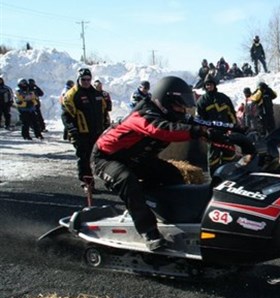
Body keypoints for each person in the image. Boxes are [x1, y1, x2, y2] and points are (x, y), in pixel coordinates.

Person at [92, 76, 214, 251]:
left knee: (172, 174)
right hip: (107, 158)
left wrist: (225, 131)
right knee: (127, 181)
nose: (183, 110)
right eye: (179, 105)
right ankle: (148, 232)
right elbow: (160, 130)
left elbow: (199, 123)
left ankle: (169, 216)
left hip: (137, 158)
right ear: (166, 101)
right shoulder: (142, 115)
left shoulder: (168, 113)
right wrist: (197, 132)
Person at [61, 68, 107, 188]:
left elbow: (104, 111)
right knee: (84, 158)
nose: (86, 82)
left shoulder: (96, 93)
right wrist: (73, 131)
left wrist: (107, 127)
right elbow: (66, 115)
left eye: (88, 79)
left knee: (103, 157)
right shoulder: (72, 94)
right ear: (78, 79)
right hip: (82, 133)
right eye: (83, 79)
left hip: (98, 131)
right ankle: (87, 182)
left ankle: (109, 180)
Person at [196, 76, 238, 173]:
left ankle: (228, 177)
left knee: (230, 155)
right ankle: (215, 180)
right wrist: (204, 132)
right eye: (207, 85)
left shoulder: (223, 98)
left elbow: (231, 113)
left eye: (210, 84)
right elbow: (199, 120)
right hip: (212, 135)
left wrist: (233, 128)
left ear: (214, 85)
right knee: (213, 159)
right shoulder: (202, 101)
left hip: (226, 133)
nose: (209, 86)